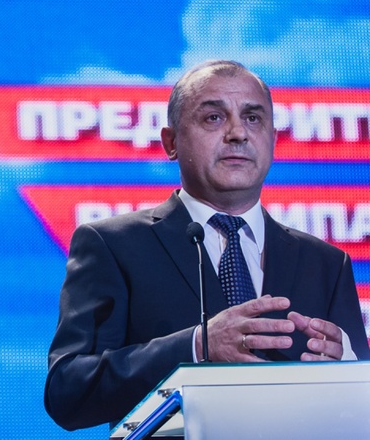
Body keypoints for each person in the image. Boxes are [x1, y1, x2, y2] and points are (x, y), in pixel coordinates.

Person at [44, 59, 370, 431]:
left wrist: (346, 371)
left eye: (253, 118)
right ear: (171, 142)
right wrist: (196, 347)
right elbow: (68, 392)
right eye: (213, 118)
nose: (238, 133)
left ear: (273, 139)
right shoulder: (113, 245)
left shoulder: (326, 263)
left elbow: (359, 414)